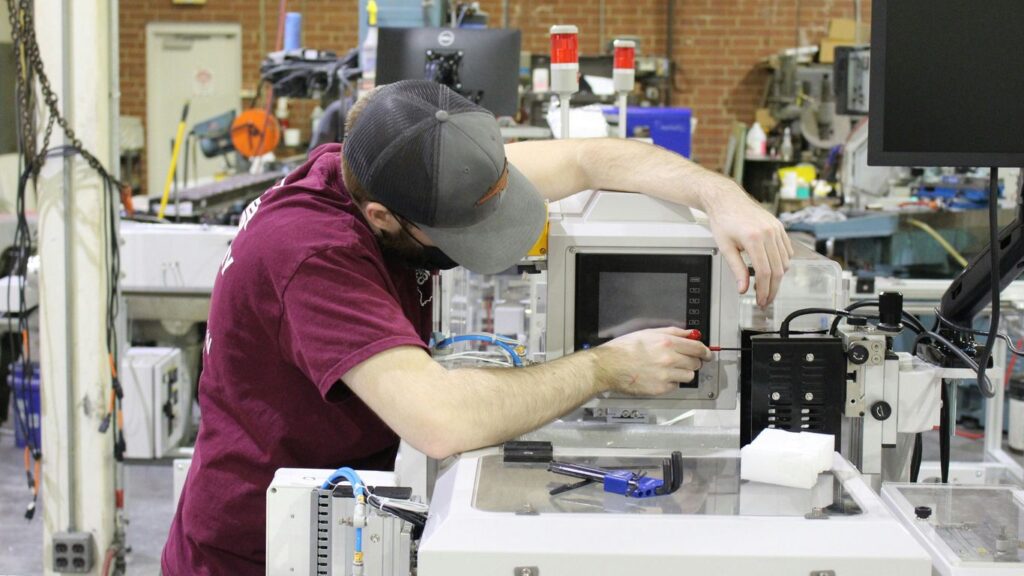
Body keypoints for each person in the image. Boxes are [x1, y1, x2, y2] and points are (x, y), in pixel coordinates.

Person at [162, 79, 793, 574]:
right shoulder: (312, 253)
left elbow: (593, 157)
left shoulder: (392, 163)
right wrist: (605, 366)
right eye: (459, 236)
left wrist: (722, 197)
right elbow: (443, 422)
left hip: (336, 511)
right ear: (382, 217)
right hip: (258, 551)